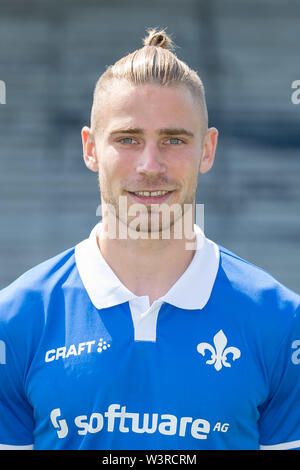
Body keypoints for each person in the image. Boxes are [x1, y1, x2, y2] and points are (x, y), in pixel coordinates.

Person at [0, 28, 299, 451]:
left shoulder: (282, 321)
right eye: (128, 139)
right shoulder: (16, 320)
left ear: (208, 150)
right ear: (90, 149)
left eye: (174, 139)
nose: (150, 164)